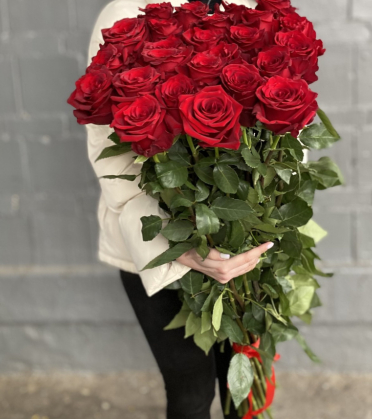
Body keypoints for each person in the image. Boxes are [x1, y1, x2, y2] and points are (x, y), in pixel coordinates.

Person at [86, 0, 264, 418]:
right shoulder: (123, 15)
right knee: (191, 394)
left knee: (245, 390)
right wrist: (179, 240)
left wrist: (263, 214)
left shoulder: (257, 8)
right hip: (158, 243)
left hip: (247, 246)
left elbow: (295, 132)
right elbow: (110, 154)